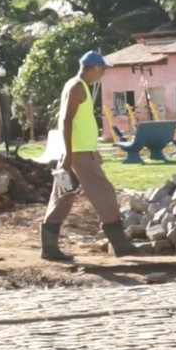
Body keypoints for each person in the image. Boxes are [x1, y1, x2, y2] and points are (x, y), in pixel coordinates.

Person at [40, 50, 136, 261]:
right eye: (101, 69)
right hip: (79, 153)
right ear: (93, 68)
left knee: (63, 195)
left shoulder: (74, 85)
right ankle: (120, 246)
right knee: (105, 193)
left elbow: (76, 123)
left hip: (77, 151)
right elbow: (66, 121)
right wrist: (69, 154)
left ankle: (49, 248)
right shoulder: (77, 88)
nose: (102, 74)